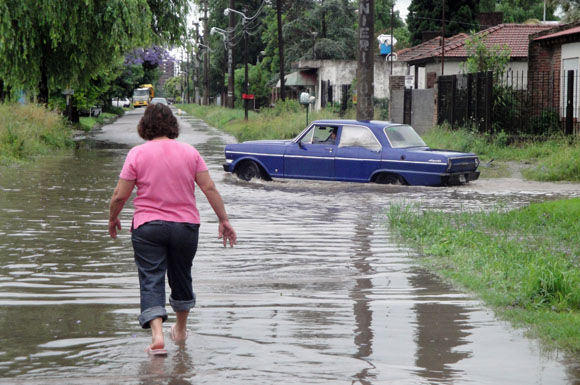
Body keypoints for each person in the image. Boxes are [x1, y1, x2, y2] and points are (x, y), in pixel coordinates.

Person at [108, 103, 236, 356]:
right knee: (181, 275)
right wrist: (224, 219)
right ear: (173, 126)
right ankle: (179, 330)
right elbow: (209, 189)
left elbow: (119, 196)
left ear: (144, 126)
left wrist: (113, 217)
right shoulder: (190, 153)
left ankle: (157, 336)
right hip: (185, 227)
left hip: (147, 227)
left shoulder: (137, 154)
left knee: (151, 278)